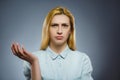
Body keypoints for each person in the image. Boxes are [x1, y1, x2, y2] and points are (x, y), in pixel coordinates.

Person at [11, 6, 93, 80]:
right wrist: (34, 62)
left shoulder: (82, 59)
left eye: (64, 25)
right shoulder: (31, 59)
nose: (59, 31)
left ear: (70, 31)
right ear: (47, 29)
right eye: (54, 25)